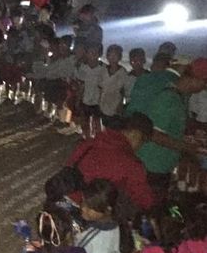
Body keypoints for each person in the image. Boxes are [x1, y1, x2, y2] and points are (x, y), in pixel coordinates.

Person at [126, 58, 207, 201]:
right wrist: (187, 147)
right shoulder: (169, 98)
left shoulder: (179, 96)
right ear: (194, 79)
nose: (203, 87)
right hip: (152, 165)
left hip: (160, 165)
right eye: (204, 82)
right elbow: (154, 134)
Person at [62, 112, 155, 212]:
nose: (139, 147)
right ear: (135, 134)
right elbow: (144, 199)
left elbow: (70, 164)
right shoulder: (132, 164)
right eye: (142, 141)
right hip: (88, 211)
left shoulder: (92, 142)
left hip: (64, 195)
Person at [76, 43, 105, 139]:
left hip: (97, 100)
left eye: (95, 53)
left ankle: (98, 138)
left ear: (99, 54)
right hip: (86, 99)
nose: (92, 55)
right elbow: (81, 85)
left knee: (97, 121)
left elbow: (102, 87)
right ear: (86, 54)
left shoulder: (103, 68)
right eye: (90, 53)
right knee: (85, 120)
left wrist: (102, 101)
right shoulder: (83, 68)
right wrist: (78, 99)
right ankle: (87, 138)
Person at [99, 44, 129, 129]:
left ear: (119, 57)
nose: (112, 57)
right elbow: (100, 87)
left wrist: (121, 105)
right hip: (103, 103)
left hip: (114, 104)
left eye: (115, 55)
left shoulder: (123, 72)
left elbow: (123, 90)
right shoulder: (103, 69)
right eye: (110, 55)